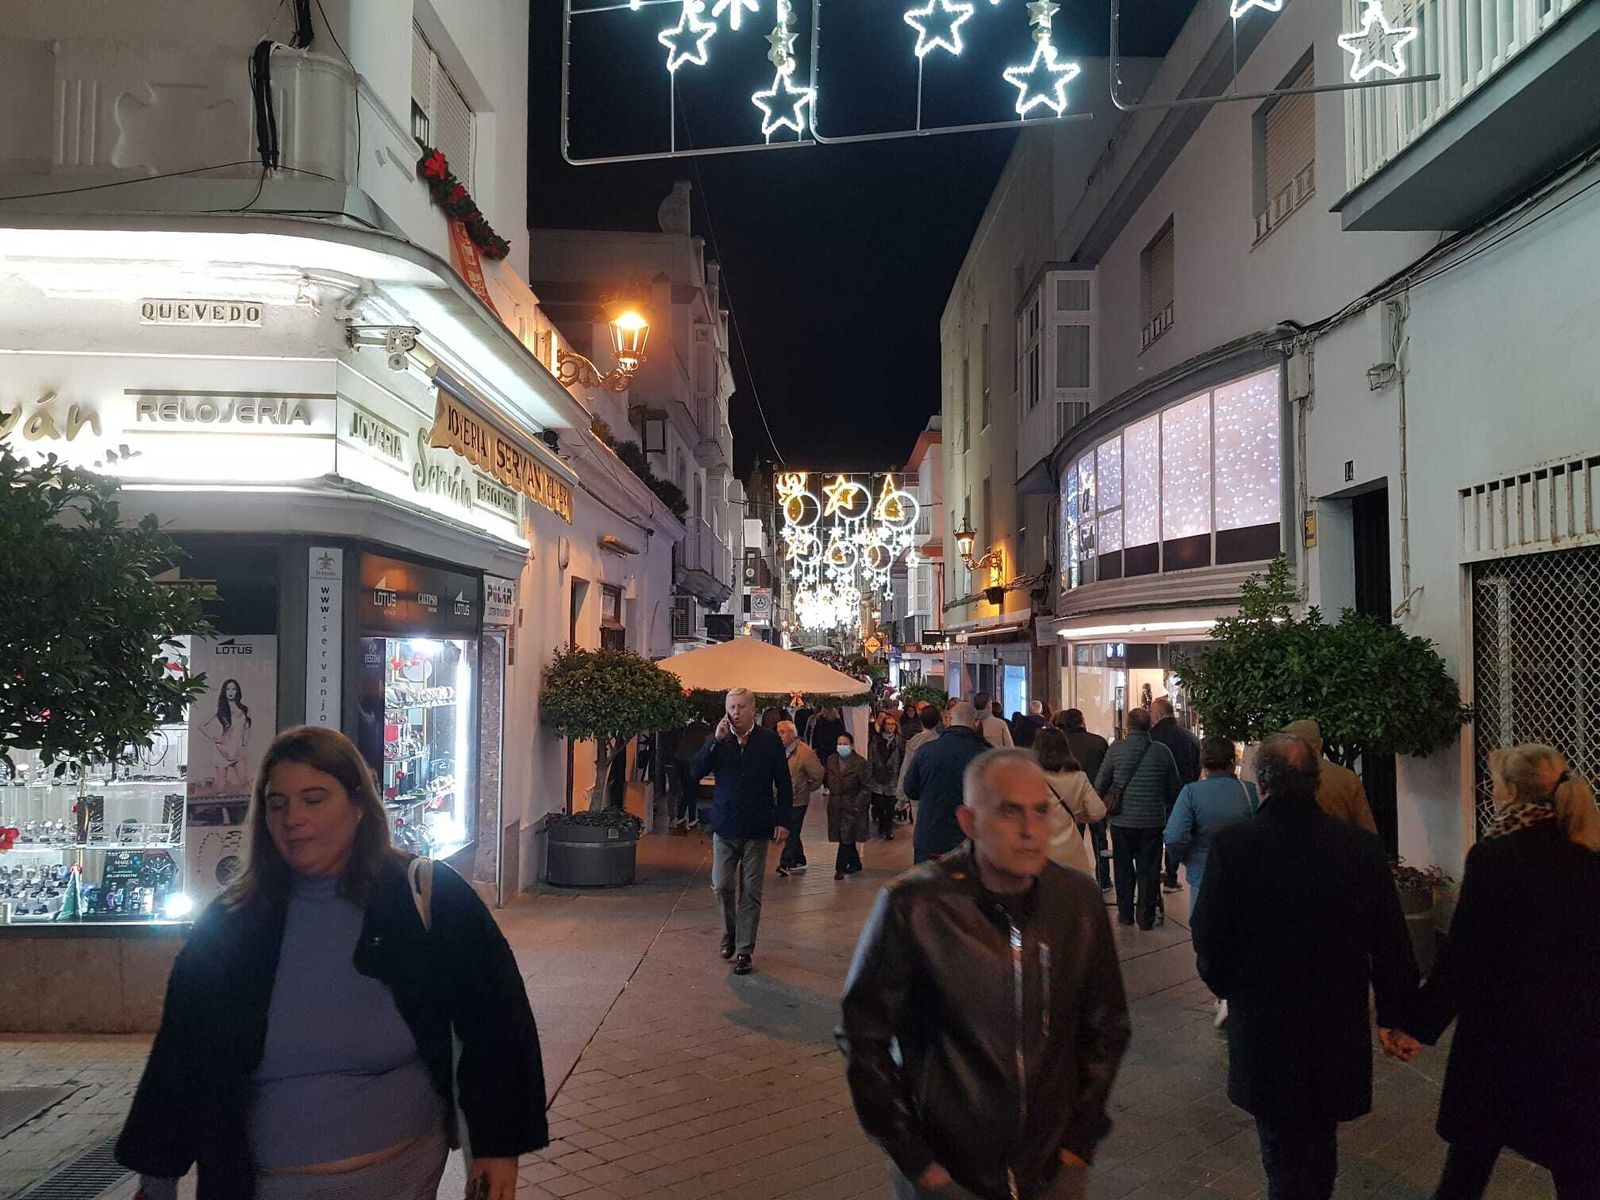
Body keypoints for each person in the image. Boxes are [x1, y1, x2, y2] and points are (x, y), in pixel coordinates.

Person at [117, 726, 545, 1200]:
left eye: (314, 799)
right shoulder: (234, 923)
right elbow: (182, 1052)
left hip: (400, 1176)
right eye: (277, 804)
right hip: (258, 1182)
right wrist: (156, 1179)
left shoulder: (424, 896)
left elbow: (498, 1023)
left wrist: (497, 1149)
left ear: (359, 805)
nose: (293, 818)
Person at [838, 749, 1131, 1200]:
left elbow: (1107, 1028)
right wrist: (919, 1162)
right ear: (969, 822)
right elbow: (863, 1037)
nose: (1032, 831)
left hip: (1049, 1171)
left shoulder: (1077, 903)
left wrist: (1077, 1145)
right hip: (949, 1175)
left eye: (1040, 811)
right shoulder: (915, 906)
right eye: (1009, 812)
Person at [1191, 734, 1419, 1200]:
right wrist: (1395, 1015)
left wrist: (1231, 988)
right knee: (1320, 1140)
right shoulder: (1359, 849)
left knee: (1280, 1148)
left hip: (1265, 1025)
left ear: (1261, 782)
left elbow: (1209, 934)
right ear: (1315, 782)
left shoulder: (1235, 846)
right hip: (1335, 1022)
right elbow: (1391, 941)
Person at [1394, 745, 1600, 1200]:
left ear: (1508, 792)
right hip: (1576, 1038)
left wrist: (1416, 1026)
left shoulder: (1496, 857)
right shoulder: (1588, 857)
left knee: (1470, 1160)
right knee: (1578, 1166)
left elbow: (1465, 958)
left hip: (1503, 1036)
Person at [690, 688, 794, 976]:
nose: (735, 712)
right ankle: (731, 932)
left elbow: (783, 784)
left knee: (751, 891)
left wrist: (783, 821)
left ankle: (745, 950)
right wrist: (715, 741)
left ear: (752, 710)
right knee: (721, 885)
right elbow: (695, 771)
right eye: (731, 707)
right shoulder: (719, 741)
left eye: (740, 707)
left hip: (757, 827)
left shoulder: (770, 741)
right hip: (725, 825)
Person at [1163, 736, 1258, 1026]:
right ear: (1233, 761)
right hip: (1246, 876)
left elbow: (1174, 836)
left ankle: (1224, 993)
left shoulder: (1192, 793)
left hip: (1203, 874)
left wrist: (1183, 858)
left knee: (1208, 936)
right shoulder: (1251, 792)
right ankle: (1242, 991)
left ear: (1204, 762)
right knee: (1244, 934)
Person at [1094, 709, 1181, 929]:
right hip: (1152, 820)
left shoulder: (1116, 750)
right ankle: (1146, 917)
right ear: (1149, 725)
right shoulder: (1163, 752)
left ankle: (1125, 914)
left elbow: (1100, 783)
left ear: (1128, 725)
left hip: (1122, 821)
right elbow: (1173, 788)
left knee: (1123, 868)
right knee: (1149, 868)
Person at [901, 702, 990, 864]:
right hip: (970, 840)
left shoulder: (927, 751)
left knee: (927, 886)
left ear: (949, 720)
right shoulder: (986, 755)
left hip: (930, 836)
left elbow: (910, 789)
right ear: (976, 723)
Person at [1281, 720, 1379, 835]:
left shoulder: (1282, 778)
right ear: (1320, 744)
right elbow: (1367, 828)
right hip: (1342, 846)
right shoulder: (1347, 778)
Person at [1034, 726, 1107, 876]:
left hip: (1039, 850)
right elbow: (1098, 811)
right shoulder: (1078, 777)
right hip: (1071, 851)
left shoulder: (1030, 778)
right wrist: (1077, 814)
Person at [1056, 710, 1112, 892]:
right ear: (1082, 721)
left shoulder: (1063, 744)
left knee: (1074, 841)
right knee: (1100, 840)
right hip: (1097, 795)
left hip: (1071, 799)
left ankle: (1075, 880)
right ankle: (1103, 880)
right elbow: (1108, 770)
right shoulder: (1098, 741)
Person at [1148, 697, 1200, 892]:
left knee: (1154, 835)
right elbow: (1196, 768)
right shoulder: (1190, 738)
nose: (1151, 717)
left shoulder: (1150, 737)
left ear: (1159, 714)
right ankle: (1171, 876)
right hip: (1182, 793)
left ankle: (1154, 873)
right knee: (1175, 833)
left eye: (1152, 713)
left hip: (1155, 793)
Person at [776, 720, 825, 877]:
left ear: (792, 734)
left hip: (798, 799)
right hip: (782, 798)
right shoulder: (777, 750)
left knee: (792, 830)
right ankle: (799, 859)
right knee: (793, 829)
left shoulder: (805, 753)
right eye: (778, 731)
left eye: (782, 732)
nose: (779, 735)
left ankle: (786, 862)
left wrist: (807, 789)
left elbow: (818, 774)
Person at [827, 732, 872, 879]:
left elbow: (866, 786)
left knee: (846, 835)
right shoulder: (832, 760)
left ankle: (839, 868)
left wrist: (858, 805)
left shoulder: (860, 763)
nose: (841, 746)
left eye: (845, 743)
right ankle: (855, 862)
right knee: (844, 835)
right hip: (835, 805)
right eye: (839, 743)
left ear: (851, 745)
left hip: (851, 804)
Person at [202, 679, 253, 793]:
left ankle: (251, 810)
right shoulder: (219, 708)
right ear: (224, 691)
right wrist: (216, 739)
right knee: (221, 785)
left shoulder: (244, 709)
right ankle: (221, 811)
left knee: (244, 782)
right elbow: (201, 725)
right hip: (223, 750)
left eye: (233, 689)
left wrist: (244, 745)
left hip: (238, 749)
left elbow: (247, 728)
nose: (231, 692)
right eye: (228, 689)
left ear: (237, 691)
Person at [668, 717, 711, 832]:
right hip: (689, 763)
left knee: (688, 791)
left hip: (681, 762)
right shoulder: (702, 737)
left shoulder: (688, 737)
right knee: (691, 791)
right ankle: (689, 818)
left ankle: (683, 817)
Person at [867, 713, 905, 841]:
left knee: (890, 805)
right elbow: (871, 757)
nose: (891, 727)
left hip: (893, 776)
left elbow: (902, 757)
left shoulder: (899, 741)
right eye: (888, 724)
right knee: (879, 804)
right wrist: (869, 773)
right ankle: (882, 823)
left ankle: (888, 829)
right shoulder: (876, 740)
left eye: (893, 724)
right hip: (878, 776)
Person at [897, 704, 943, 802]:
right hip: (937, 792)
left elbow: (906, 767)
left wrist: (901, 795)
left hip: (917, 791)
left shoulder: (913, 742)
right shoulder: (942, 742)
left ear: (921, 720)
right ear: (938, 721)